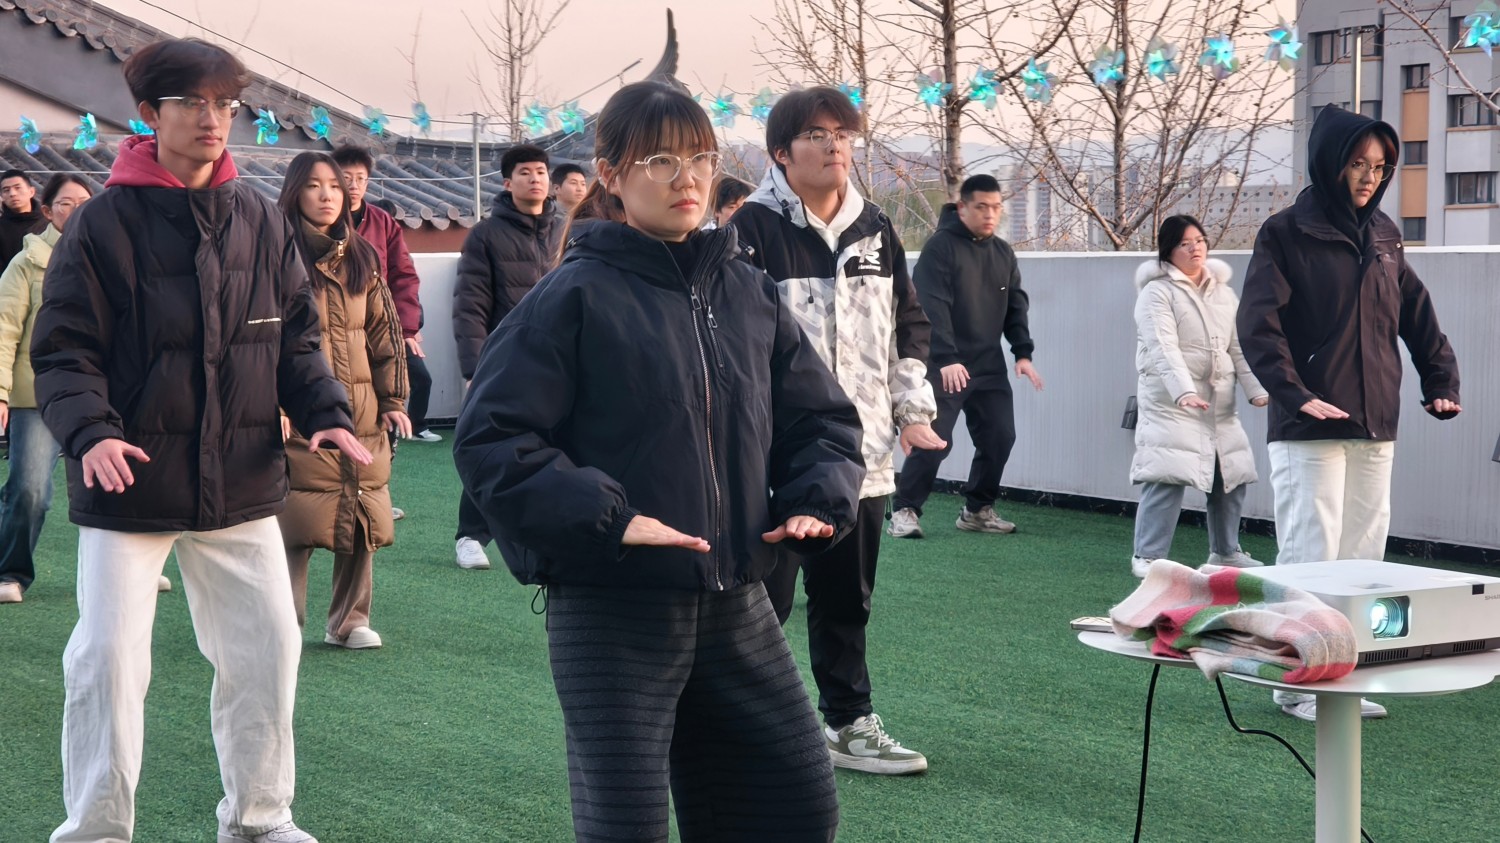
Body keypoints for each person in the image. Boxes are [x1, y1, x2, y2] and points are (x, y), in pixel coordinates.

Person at [454, 80, 863, 843]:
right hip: (614, 610)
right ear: (611, 174)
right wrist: (611, 517)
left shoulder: (748, 292)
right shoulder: (571, 296)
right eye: (662, 160)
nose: (688, 178)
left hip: (739, 603)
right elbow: (491, 440)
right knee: (627, 829)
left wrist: (816, 496)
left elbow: (824, 420)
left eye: (701, 158)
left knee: (798, 807)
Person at [31, 38, 368, 843]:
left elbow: (295, 337)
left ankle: (258, 818)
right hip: (129, 477)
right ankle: (96, 829)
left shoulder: (258, 217)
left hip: (240, 475)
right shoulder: (102, 223)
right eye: (194, 103)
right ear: (150, 114)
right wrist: (91, 433)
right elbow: (66, 350)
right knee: (108, 660)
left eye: (225, 104)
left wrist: (323, 407)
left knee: (269, 648)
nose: (214, 119)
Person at [731, 85, 943, 775]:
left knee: (847, 600)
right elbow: (732, 344)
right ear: (780, 153)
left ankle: (849, 722)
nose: (835, 147)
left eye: (844, 135)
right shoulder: (749, 231)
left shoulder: (875, 226)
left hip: (864, 455)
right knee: (762, 603)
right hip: (778, 458)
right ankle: (740, 730)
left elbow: (909, 324)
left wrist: (912, 412)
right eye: (818, 135)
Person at [1238, 105, 1461, 723]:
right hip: (1309, 425)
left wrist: (1440, 379)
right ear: (1331, 162)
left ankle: (1344, 680)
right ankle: (1296, 683)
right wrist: (1293, 393)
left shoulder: (1385, 234)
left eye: (1380, 167)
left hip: (1375, 419)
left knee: (1363, 562)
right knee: (1311, 555)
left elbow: (1415, 313)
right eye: (1358, 163)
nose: (1369, 176)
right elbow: (1257, 324)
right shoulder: (1285, 232)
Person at [277, 151, 410, 651]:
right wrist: (274, 405)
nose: (328, 195)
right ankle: (283, 622)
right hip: (297, 413)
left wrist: (393, 398)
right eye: (314, 185)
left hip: (361, 410)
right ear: (294, 192)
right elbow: (260, 340)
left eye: (334, 185)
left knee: (361, 515)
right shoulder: (274, 253)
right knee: (293, 519)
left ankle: (350, 621)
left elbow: (384, 333)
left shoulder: (362, 256)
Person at [889, 174, 1043, 539]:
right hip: (944, 365)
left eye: (996, 207)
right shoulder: (940, 248)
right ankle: (905, 510)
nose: (990, 214)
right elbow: (930, 306)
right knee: (935, 440)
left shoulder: (1002, 252)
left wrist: (1022, 353)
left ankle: (977, 510)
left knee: (999, 437)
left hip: (988, 366)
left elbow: (1015, 305)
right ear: (962, 208)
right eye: (981, 207)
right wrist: (946, 358)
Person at [1128, 215, 1268, 578]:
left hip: (1218, 403)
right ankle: (1148, 556)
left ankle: (1225, 552)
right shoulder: (1156, 293)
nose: (1195, 248)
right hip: (1170, 402)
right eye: (1185, 243)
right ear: (1168, 251)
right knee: (1168, 474)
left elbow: (1237, 346)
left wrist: (1256, 389)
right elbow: (1163, 348)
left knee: (1231, 475)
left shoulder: (1223, 293)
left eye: (1200, 240)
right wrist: (1184, 391)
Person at [451, 143, 560, 570]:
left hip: (560, 360)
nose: (535, 179)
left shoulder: (566, 230)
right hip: (506, 360)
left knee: (559, 448)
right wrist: (474, 368)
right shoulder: (485, 235)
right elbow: (470, 305)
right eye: (525, 172)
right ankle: (470, 536)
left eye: (541, 172)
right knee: (493, 448)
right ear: (507, 182)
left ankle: (550, 535)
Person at [332, 145, 435, 444]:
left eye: (360, 179)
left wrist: (407, 328)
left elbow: (403, 276)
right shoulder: (321, 218)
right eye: (346, 178)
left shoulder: (382, 221)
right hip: (334, 324)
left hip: (380, 325)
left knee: (391, 388)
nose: (353, 186)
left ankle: (394, 440)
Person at [0, 169, 46, 267]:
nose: (12, 193)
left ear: (31, 191)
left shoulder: (48, 222)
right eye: (6, 190)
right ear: (2, 197)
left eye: (17, 188)